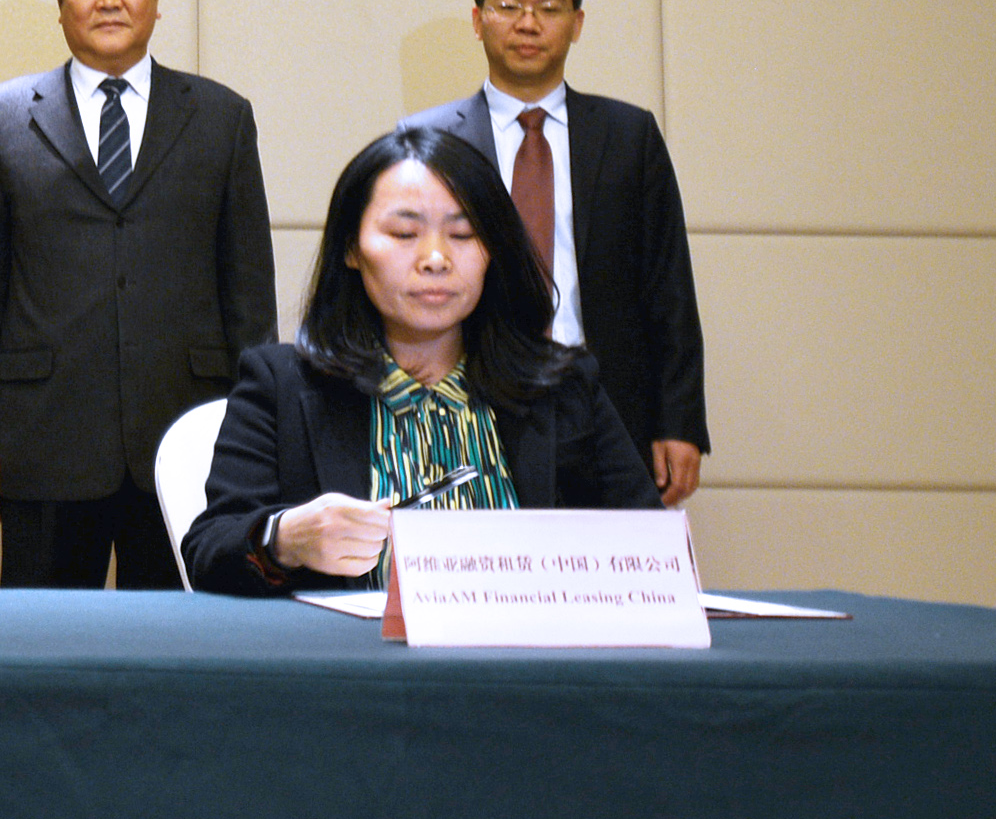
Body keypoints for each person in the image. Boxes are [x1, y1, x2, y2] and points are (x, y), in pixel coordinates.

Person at [0, 0, 276, 589]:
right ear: (60, 0)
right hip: (46, 436)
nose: (108, 0)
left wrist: (254, 433)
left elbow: (249, 292)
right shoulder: (0, 121)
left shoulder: (222, 118)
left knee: (177, 637)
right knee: (44, 638)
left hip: (186, 436)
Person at [183, 127, 662, 596]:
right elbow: (208, 551)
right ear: (351, 248)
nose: (435, 258)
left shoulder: (561, 384)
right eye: (405, 233)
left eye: (463, 234)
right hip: (352, 650)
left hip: (531, 647)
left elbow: (653, 551)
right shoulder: (280, 385)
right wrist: (284, 540)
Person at [402, 0, 709, 506]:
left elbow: (668, 285)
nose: (528, 23)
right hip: (471, 397)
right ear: (478, 20)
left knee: (614, 556)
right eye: (509, 6)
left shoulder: (629, 136)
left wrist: (680, 421)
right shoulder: (429, 138)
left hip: (606, 400)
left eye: (549, 8)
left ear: (577, 23)